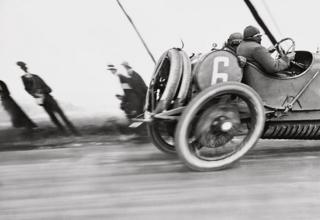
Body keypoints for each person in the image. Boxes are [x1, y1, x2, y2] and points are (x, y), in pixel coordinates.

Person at [16, 61, 80, 136]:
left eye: (25, 66)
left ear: (27, 67)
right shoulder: (23, 78)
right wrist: (35, 95)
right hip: (42, 101)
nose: (24, 68)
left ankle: (75, 132)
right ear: (21, 68)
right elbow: (27, 89)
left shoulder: (36, 76)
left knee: (62, 116)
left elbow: (49, 88)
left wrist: (42, 91)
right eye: (22, 67)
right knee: (53, 118)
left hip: (49, 98)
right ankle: (65, 133)